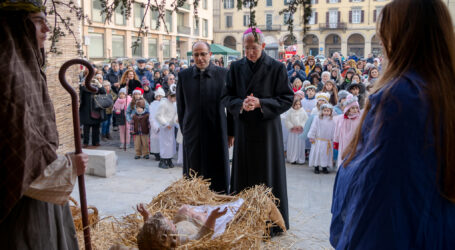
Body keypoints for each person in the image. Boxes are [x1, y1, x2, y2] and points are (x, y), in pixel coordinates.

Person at [331, 1, 455, 248]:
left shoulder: (401, 97)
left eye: (385, 36)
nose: (383, 46)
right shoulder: (442, 90)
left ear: (402, 39)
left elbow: (375, 191)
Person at [0, 5, 88, 249]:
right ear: (18, 27)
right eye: (39, 21)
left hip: (41, 199)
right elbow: (15, 150)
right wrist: (67, 167)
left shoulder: (26, 68)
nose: (48, 29)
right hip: (21, 209)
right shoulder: (8, 74)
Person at [222, 27, 293, 232]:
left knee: (267, 175)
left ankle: (270, 223)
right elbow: (226, 98)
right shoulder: (235, 68)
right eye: (246, 48)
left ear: (262, 45)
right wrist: (240, 105)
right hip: (244, 130)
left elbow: (287, 98)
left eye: (254, 48)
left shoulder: (277, 68)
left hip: (267, 131)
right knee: (244, 176)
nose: (250, 52)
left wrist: (261, 103)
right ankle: (243, 222)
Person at [176, 41, 233, 193]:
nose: (200, 58)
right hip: (192, 132)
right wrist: (185, 130)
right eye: (196, 55)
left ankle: (219, 202)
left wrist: (231, 132)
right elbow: (181, 108)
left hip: (217, 130)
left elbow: (231, 106)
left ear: (210, 54)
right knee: (193, 170)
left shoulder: (223, 74)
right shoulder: (184, 76)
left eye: (203, 54)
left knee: (217, 170)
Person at [332, 94, 360, 169]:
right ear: (348, 109)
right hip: (344, 142)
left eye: (356, 108)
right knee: (344, 158)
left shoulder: (359, 119)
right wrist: (336, 141)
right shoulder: (341, 119)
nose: (355, 110)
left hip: (355, 143)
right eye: (352, 108)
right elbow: (337, 131)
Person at [308, 104, 336, 174]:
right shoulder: (317, 118)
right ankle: (316, 167)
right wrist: (312, 136)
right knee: (317, 154)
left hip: (327, 141)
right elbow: (313, 127)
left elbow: (334, 130)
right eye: (325, 110)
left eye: (328, 111)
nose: (326, 112)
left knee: (325, 155)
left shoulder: (332, 120)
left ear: (331, 111)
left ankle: (324, 167)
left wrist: (334, 138)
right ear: (322, 111)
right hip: (318, 140)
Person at [80, 78, 106, 147]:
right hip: (86, 111)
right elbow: (80, 94)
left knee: (96, 128)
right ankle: (86, 142)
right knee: (86, 129)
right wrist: (82, 85)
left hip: (96, 110)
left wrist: (99, 84)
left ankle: (96, 142)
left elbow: (104, 92)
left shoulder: (97, 89)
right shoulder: (84, 89)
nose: (91, 84)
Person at [155, 88, 178, 169]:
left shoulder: (174, 104)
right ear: (169, 96)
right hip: (165, 127)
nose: (175, 99)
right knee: (164, 144)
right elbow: (158, 115)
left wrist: (176, 120)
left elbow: (175, 114)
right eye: (174, 97)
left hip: (171, 127)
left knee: (171, 144)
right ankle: (162, 160)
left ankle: (169, 159)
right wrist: (165, 123)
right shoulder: (163, 103)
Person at [285, 98, 308, 165]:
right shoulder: (290, 111)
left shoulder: (303, 111)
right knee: (293, 145)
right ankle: (292, 158)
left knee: (300, 145)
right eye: (296, 104)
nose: (298, 106)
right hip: (293, 131)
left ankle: (300, 159)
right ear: (293, 105)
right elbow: (287, 120)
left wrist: (301, 125)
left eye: (299, 104)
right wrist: (292, 126)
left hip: (300, 131)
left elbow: (305, 119)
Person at [149, 86, 165, 161]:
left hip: (163, 126)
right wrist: (155, 126)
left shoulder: (165, 104)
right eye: (157, 96)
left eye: (160, 96)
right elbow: (151, 117)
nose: (159, 98)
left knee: (163, 142)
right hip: (155, 126)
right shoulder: (152, 105)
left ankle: (163, 154)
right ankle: (156, 154)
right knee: (155, 141)